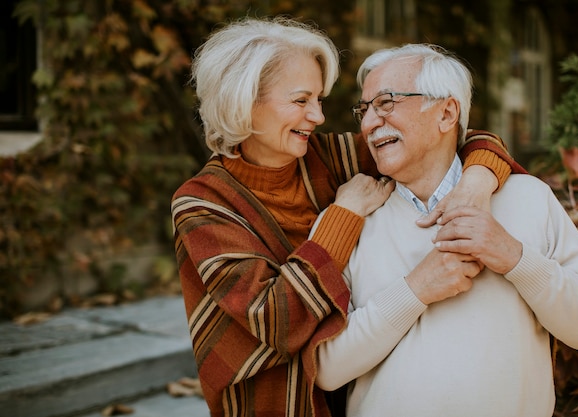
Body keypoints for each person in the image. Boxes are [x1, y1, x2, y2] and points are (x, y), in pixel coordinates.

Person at [171, 17, 524, 417]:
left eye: (319, 100)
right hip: (274, 402)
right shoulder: (202, 203)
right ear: (245, 102)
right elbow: (277, 321)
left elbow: (452, 135)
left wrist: (474, 185)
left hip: (355, 387)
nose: (319, 117)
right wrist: (344, 213)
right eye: (301, 101)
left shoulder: (329, 157)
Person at [314, 43, 578, 417]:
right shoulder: (349, 219)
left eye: (387, 102)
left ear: (446, 113)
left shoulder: (528, 197)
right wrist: (416, 289)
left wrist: (513, 256)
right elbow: (325, 368)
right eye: (365, 109)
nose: (369, 123)